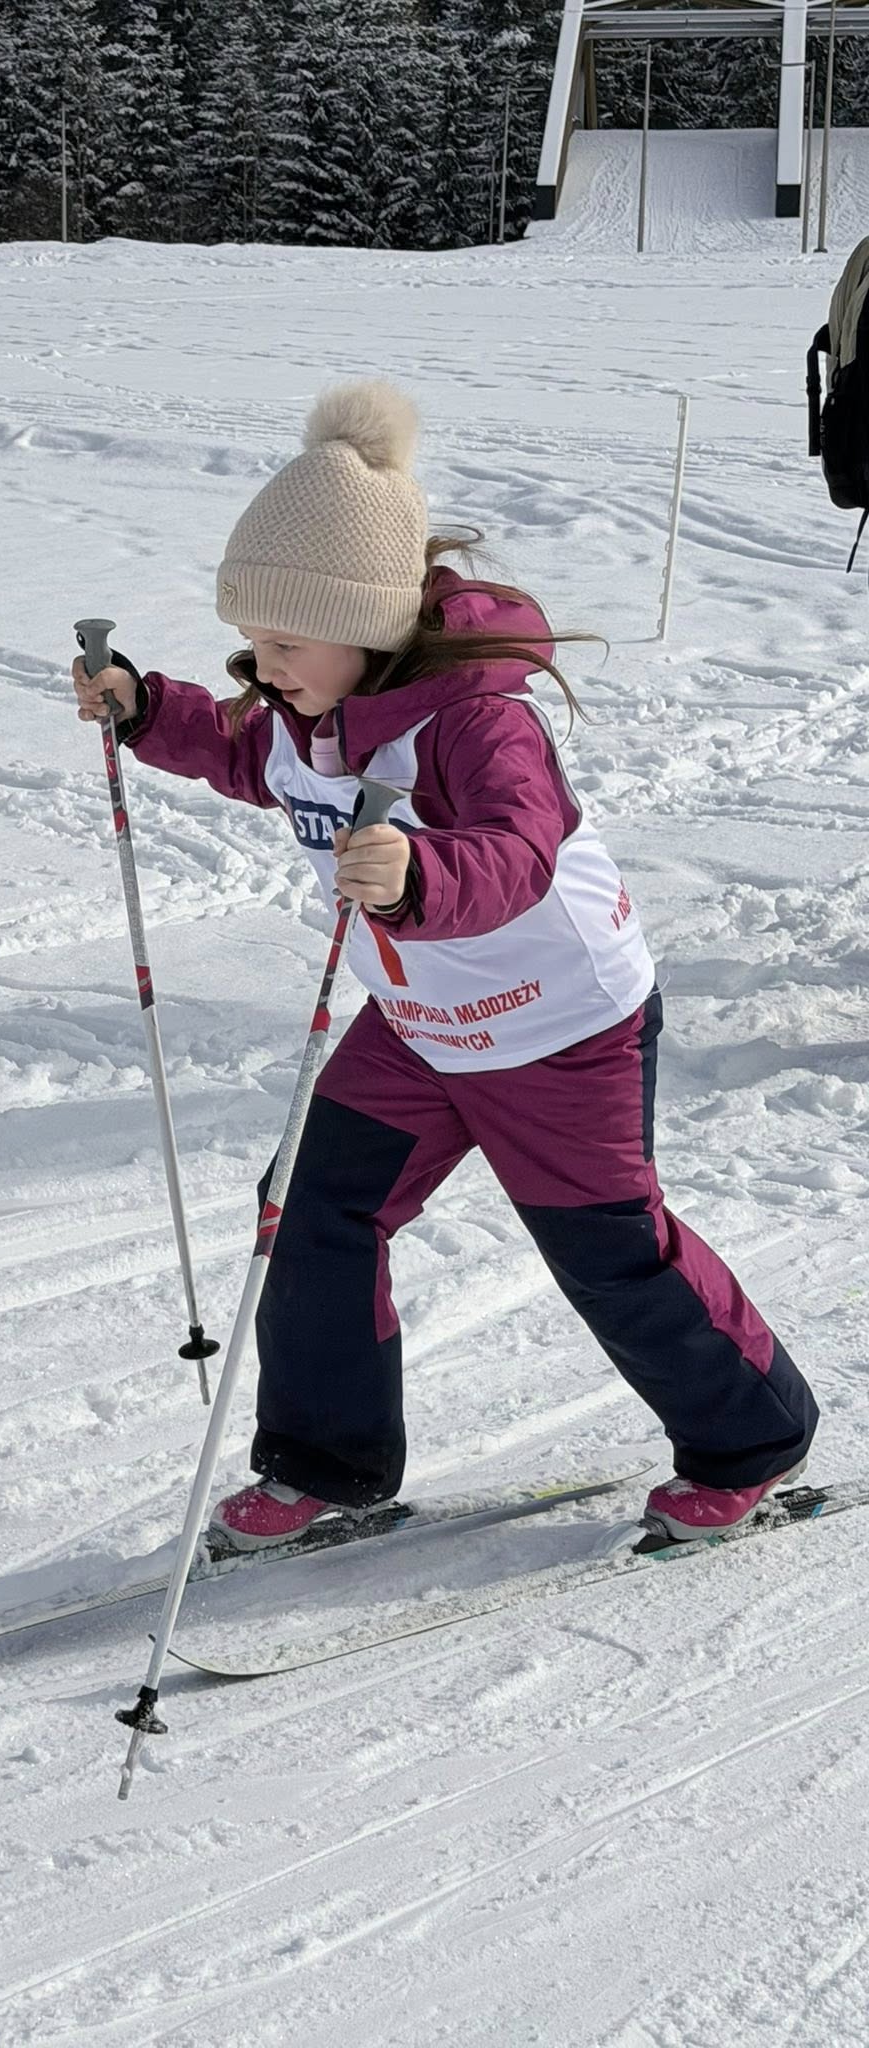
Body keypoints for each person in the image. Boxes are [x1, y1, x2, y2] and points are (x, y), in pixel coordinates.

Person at [70, 379, 817, 1548]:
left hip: (560, 1028)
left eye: (286, 643)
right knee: (312, 1207)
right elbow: (238, 748)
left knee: (609, 1247)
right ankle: (329, 1464)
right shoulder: (302, 710)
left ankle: (752, 1439)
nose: (264, 666)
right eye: (255, 642)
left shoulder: (475, 718)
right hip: (423, 1028)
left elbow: (519, 846)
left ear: (366, 624)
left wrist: (418, 871)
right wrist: (143, 706)